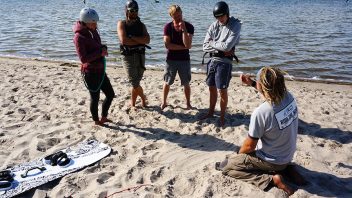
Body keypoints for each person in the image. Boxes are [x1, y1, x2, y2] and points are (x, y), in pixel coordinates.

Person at [216, 67, 300, 196]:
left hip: (273, 161)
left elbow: (250, 146)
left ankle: (272, 179)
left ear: (262, 86)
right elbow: (270, 91)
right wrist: (251, 83)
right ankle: (287, 169)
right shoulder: (289, 97)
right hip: (287, 156)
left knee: (226, 167)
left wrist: (238, 156)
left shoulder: (261, 112)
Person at [202, 1, 241, 126]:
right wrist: (221, 48)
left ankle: (223, 117)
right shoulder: (214, 25)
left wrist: (213, 43)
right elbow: (204, 46)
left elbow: (228, 46)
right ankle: (211, 112)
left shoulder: (236, 24)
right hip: (212, 60)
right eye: (217, 17)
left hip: (224, 63)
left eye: (221, 16)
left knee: (222, 91)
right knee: (211, 88)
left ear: (227, 13)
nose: (219, 19)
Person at [73, 8, 115, 125]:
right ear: (85, 23)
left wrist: (104, 48)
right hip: (90, 72)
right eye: (93, 23)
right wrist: (99, 53)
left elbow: (98, 46)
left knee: (110, 94)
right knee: (95, 98)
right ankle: (96, 121)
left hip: (101, 70)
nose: (96, 25)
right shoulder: (79, 37)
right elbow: (83, 59)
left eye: (96, 22)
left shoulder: (93, 30)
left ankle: (104, 117)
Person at [117, 0, 150, 108]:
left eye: (136, 10)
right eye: (131, 10)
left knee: (137, 82)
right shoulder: (121, 23)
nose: (134, 12)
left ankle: (133, 104)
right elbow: (124, 40)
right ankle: (144, 99)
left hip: (140, 56)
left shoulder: (142, 25)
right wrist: (140, 40)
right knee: (134, 82)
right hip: (128, 57)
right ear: (126, 11)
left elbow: (147, 40)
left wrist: (133, 38)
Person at [160, 5, 194, 110]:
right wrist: (183, 47)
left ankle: (188, 103)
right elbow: (167, 45)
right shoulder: (168, 27)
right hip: (171, 59)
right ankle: (164, 102)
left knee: (186, 83)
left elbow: (188, 45)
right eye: (176, 16)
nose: (178, 18)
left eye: (180, 15)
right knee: (167, 82)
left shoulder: (189, 26)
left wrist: (184, 30)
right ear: (171, 16)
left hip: (184, 59)